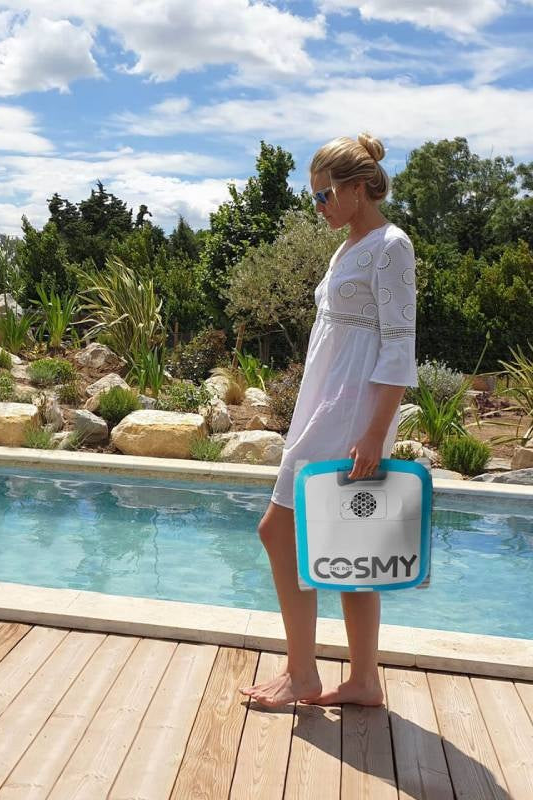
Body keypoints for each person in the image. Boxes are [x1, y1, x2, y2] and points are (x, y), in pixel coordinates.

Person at [239, 133, 418, 708]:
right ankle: (363, 681)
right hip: (326, 403)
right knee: (351, 545)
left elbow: (398, 345)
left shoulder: (391, 245)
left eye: (323, 195)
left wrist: (374, 431)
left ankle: (303, 674)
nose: (317, 206)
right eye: (312, 196)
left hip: (351, 412)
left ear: (358, 189)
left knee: (278, 528)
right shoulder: (347, 247)